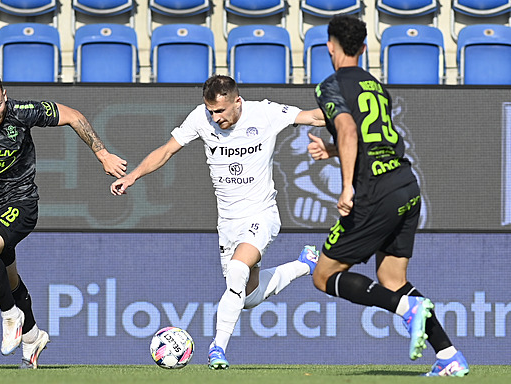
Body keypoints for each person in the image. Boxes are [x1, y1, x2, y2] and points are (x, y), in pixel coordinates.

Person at [110, 75, 323, 369]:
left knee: (238, 270)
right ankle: (304, 265)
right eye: (211, 111)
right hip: (228, 222)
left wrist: (351, 115)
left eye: (220, 111)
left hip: (261, 212)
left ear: (237, 102)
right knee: (246, 298)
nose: (215, 117)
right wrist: (132, 176)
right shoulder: (201, 118)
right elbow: (167, 149)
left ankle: (217, 348)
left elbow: (312, 116)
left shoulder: (265, 113)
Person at [0, 70, 127, 369]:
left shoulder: (21, 111)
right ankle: (32, 336)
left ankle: (10, 316)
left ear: (4, 95)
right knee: (8, 278)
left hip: (20, 202)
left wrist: (102, 153)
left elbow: (72, 115)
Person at [307, 15, 469, 377]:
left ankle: (406, 310)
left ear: (330, 46)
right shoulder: (376, 86)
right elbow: (374, 138)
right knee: (392, 278)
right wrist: (332, 151)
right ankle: (449, 356)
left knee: (323, 275)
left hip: (374, 192)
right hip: (406, 185)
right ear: (363, 49)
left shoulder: (330, 85)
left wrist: (346, 184)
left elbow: (349, 129)